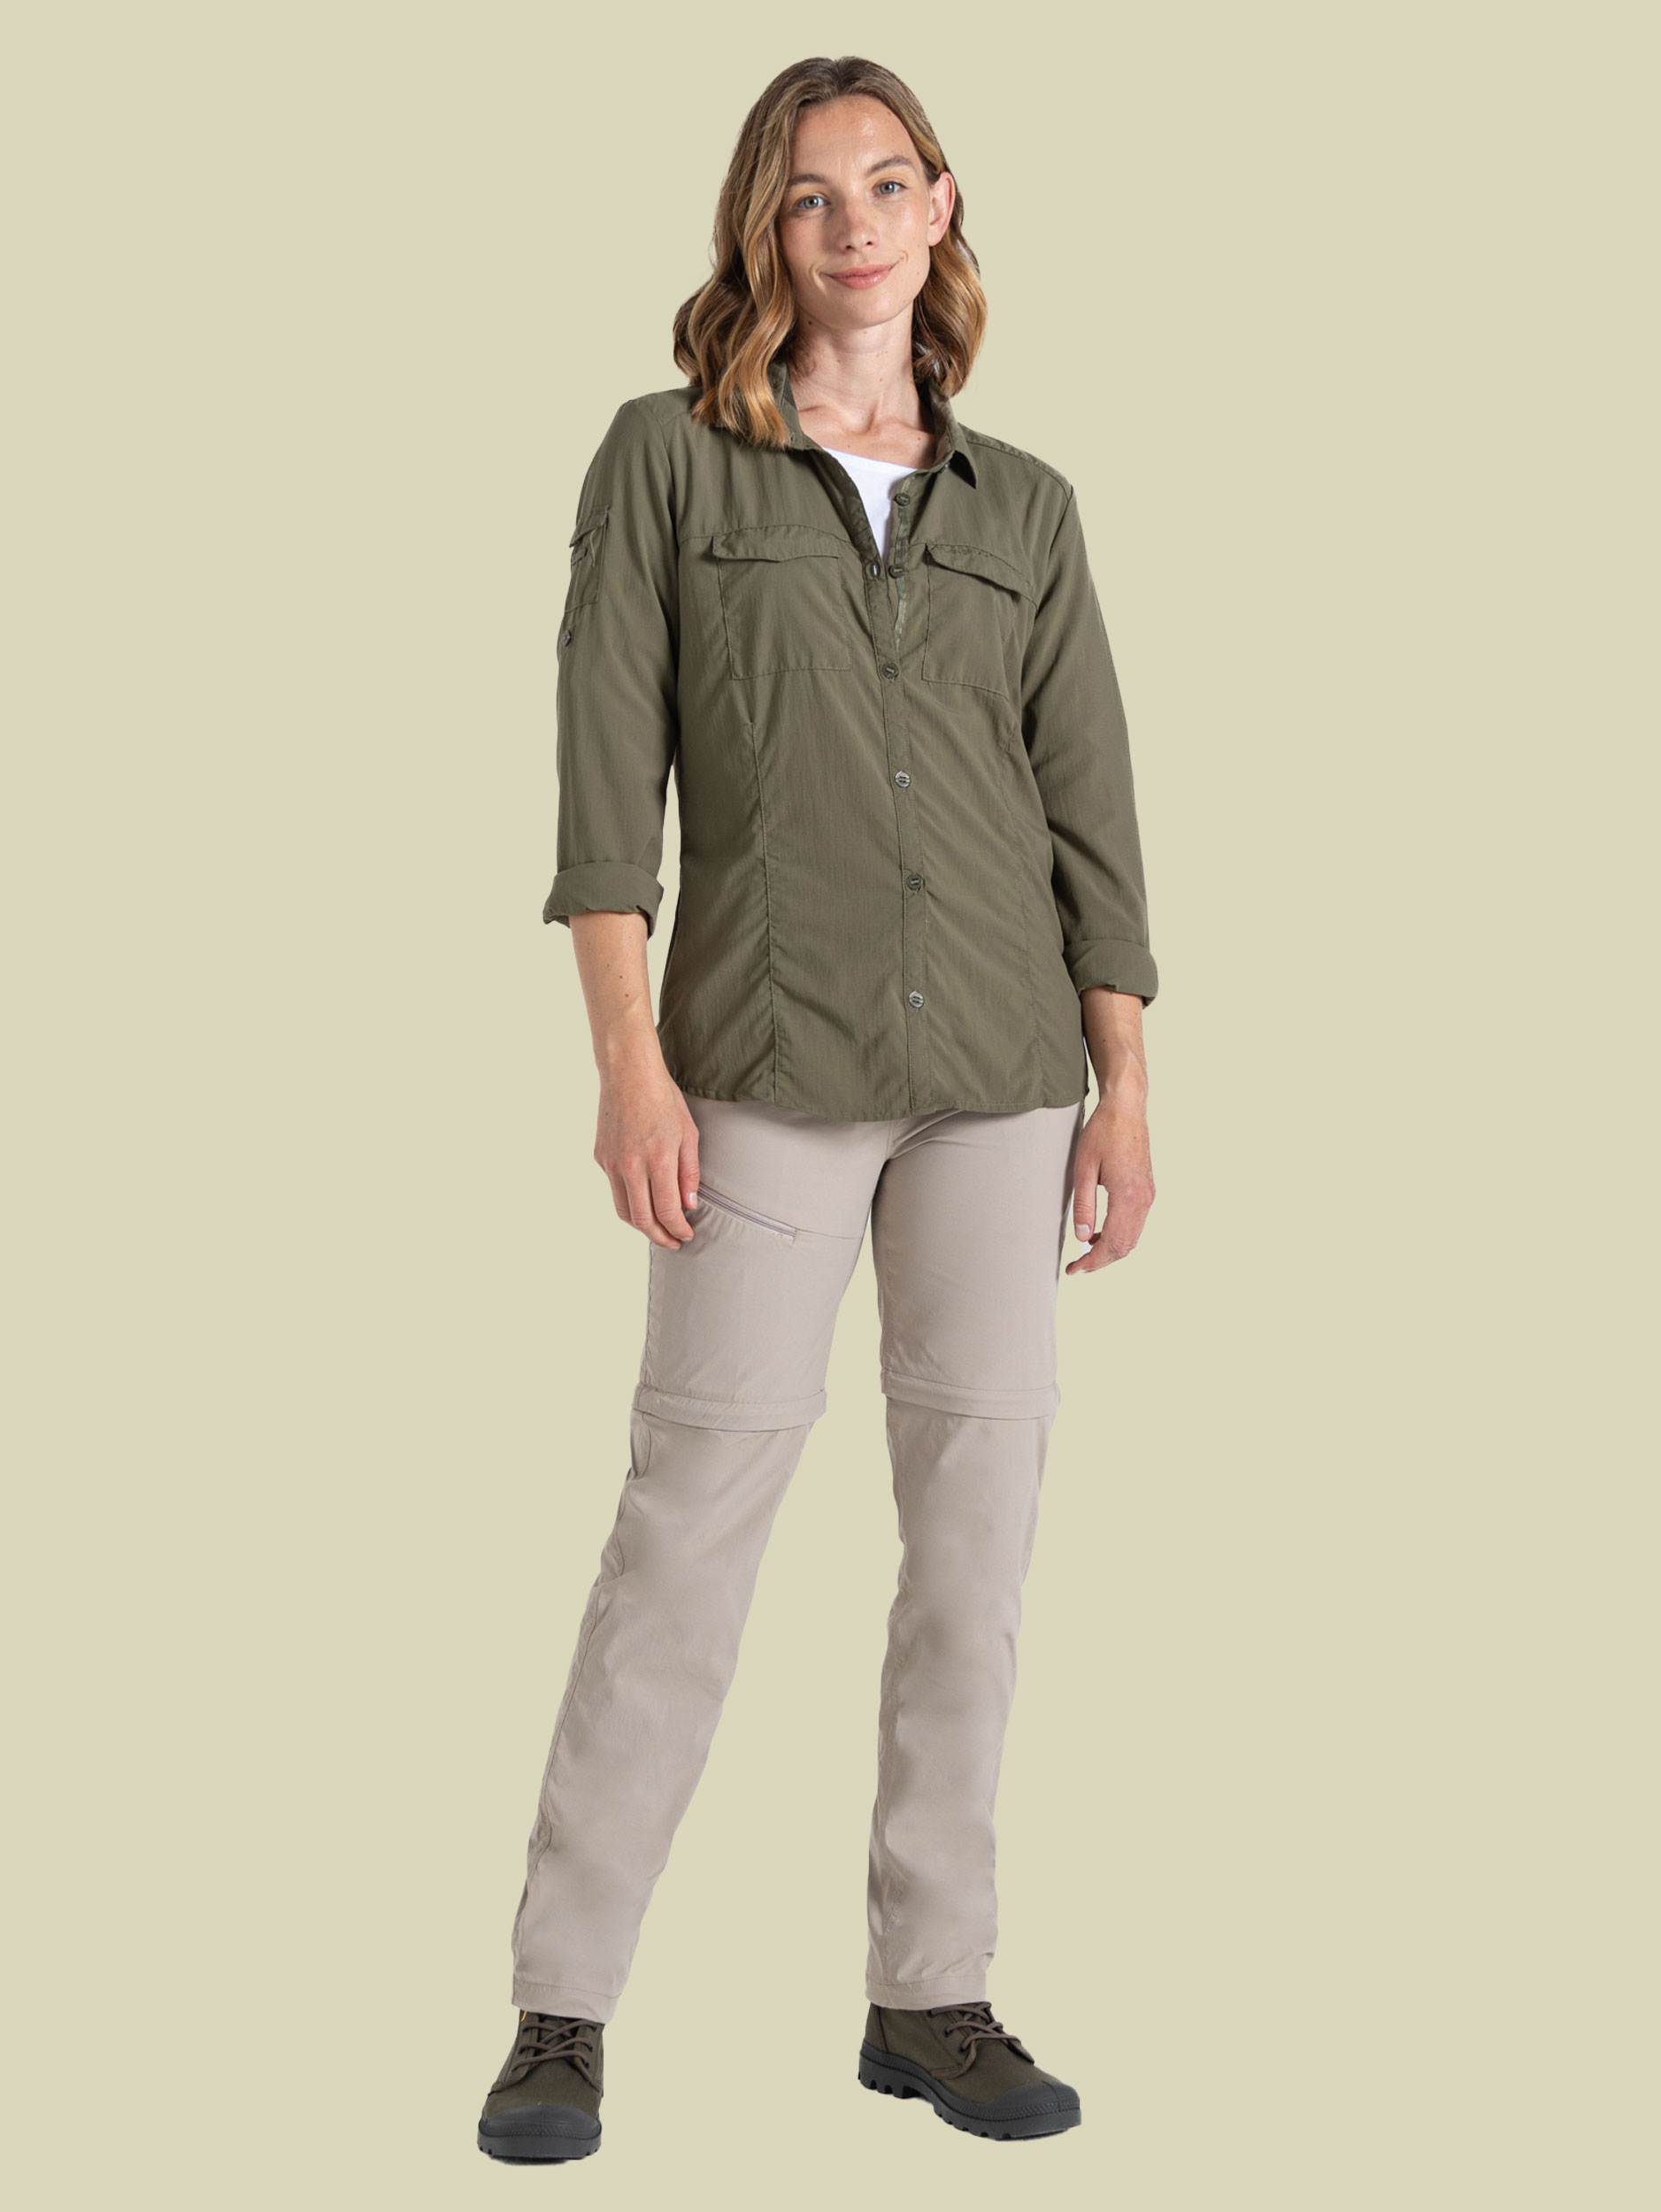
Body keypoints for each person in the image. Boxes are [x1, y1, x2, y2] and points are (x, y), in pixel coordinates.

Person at [478, 53, 1159, 2162]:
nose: (850, 222)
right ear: (760, 230)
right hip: (757, 1073)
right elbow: (605, 793)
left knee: (974, 1544)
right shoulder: (666, 464)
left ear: (939, 207)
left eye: (883, 182)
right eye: (805, 193)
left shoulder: (1023, 510)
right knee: (686, 1525)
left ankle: (927, 1989)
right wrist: (627, 1064)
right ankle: (562, 2006)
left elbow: (1090, 813)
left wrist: (1122, 1084)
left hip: (998, 1089)